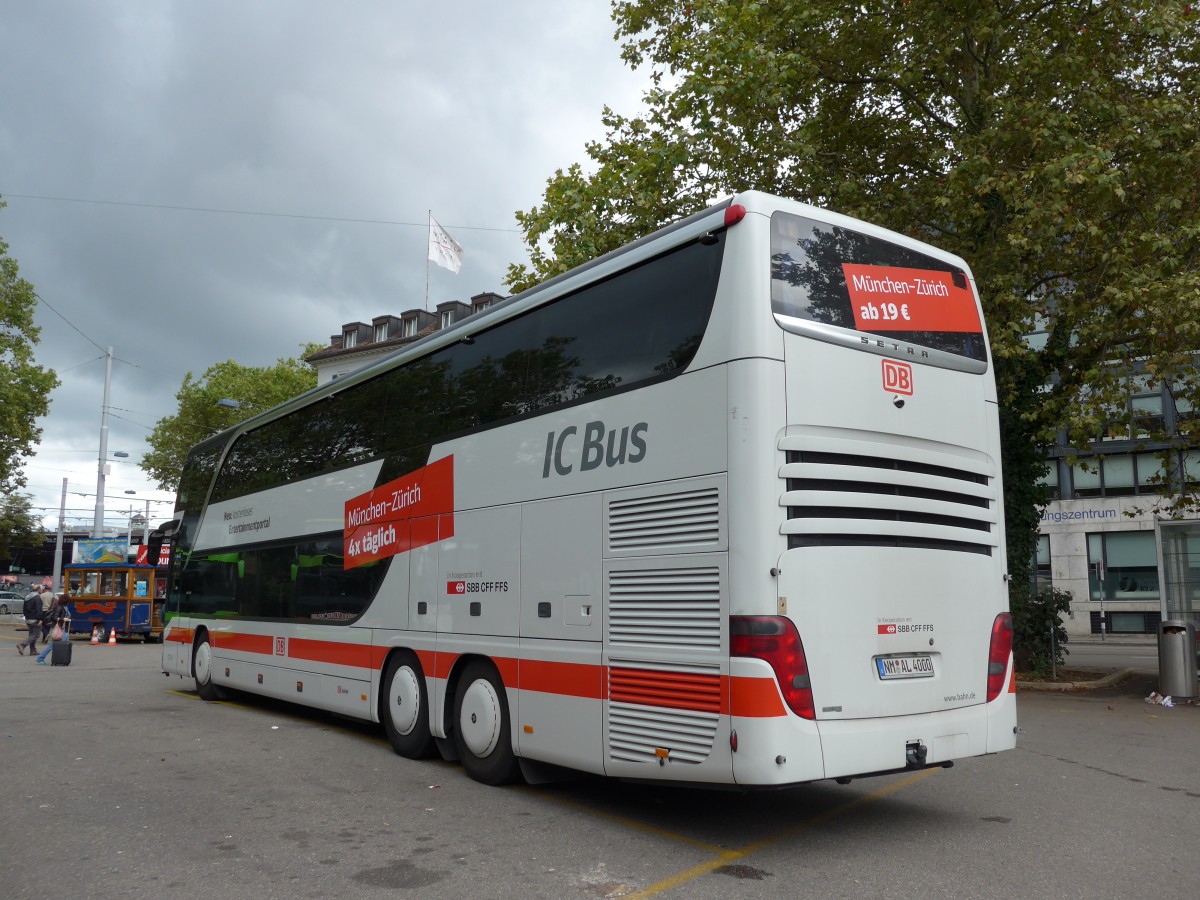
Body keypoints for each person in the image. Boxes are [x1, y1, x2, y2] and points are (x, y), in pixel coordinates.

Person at [37, 593, 71, 665]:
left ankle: (60, 659)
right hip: (59, 628)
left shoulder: (65, 607)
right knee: (55, 645)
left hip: (64, 627)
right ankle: (41, 657)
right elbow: (54, 618)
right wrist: (63, 619)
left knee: (57, 645)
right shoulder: (60, 607)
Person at [17, 587, 43, 657]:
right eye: (41, 589)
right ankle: (22, 645)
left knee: (31, 635)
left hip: (28, 618)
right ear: (39, 590)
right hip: (35, 618)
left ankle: (33, 650)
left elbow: (24, 608)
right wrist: (40, 619)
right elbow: (39, 609)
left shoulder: (27, 597)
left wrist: (26, 616)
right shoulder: (37, 597)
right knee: (36, 635)